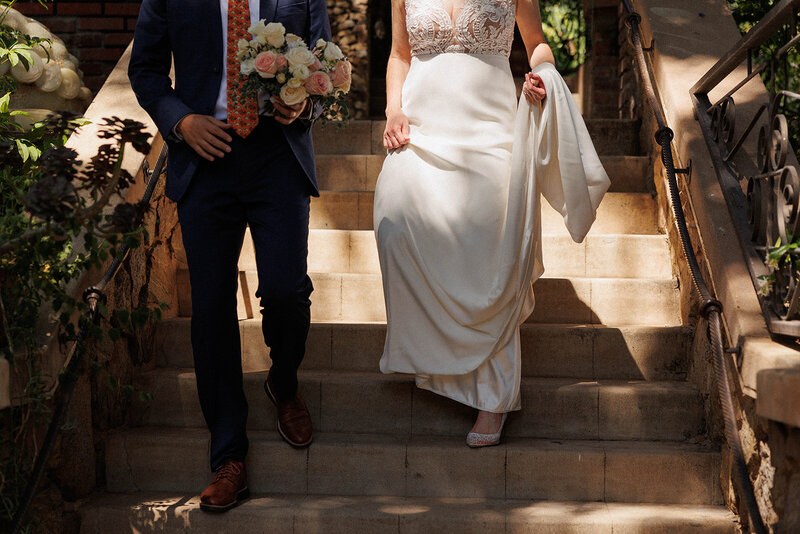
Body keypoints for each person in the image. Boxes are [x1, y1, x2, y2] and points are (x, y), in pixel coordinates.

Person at [374, 0, 610, 447]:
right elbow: (399, 55)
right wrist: (393, 110)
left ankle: (494, 395)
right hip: (421, 130)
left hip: (491, 132)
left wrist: (545, 75)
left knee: (490, 249)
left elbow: (536, 43)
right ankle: (438, 355)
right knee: (393, 222)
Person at [129, 0, 331, 512]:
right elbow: (145, 68)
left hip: (277, 155)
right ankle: (228, 455)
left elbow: (326, 65)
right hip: (205, 159)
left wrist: (307, 103)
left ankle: (283, 382)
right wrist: (181, 123)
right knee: (213, 307)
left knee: (286, 291)